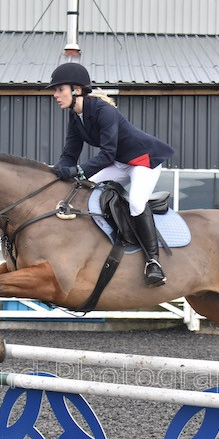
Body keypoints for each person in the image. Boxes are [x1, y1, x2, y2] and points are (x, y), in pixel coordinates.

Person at [48, 62, 174, 288]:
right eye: (55, 91)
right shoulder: (76, 117)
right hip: (120, 163)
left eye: (60, 90)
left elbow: (106, 154)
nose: (56, 95)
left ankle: (153, 262)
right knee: (83, 189)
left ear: (76, 89)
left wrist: (76, 170)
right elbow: (69, 153)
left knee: (136, 202)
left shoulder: (103, 111)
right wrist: (56, 173)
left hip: (143, 161)